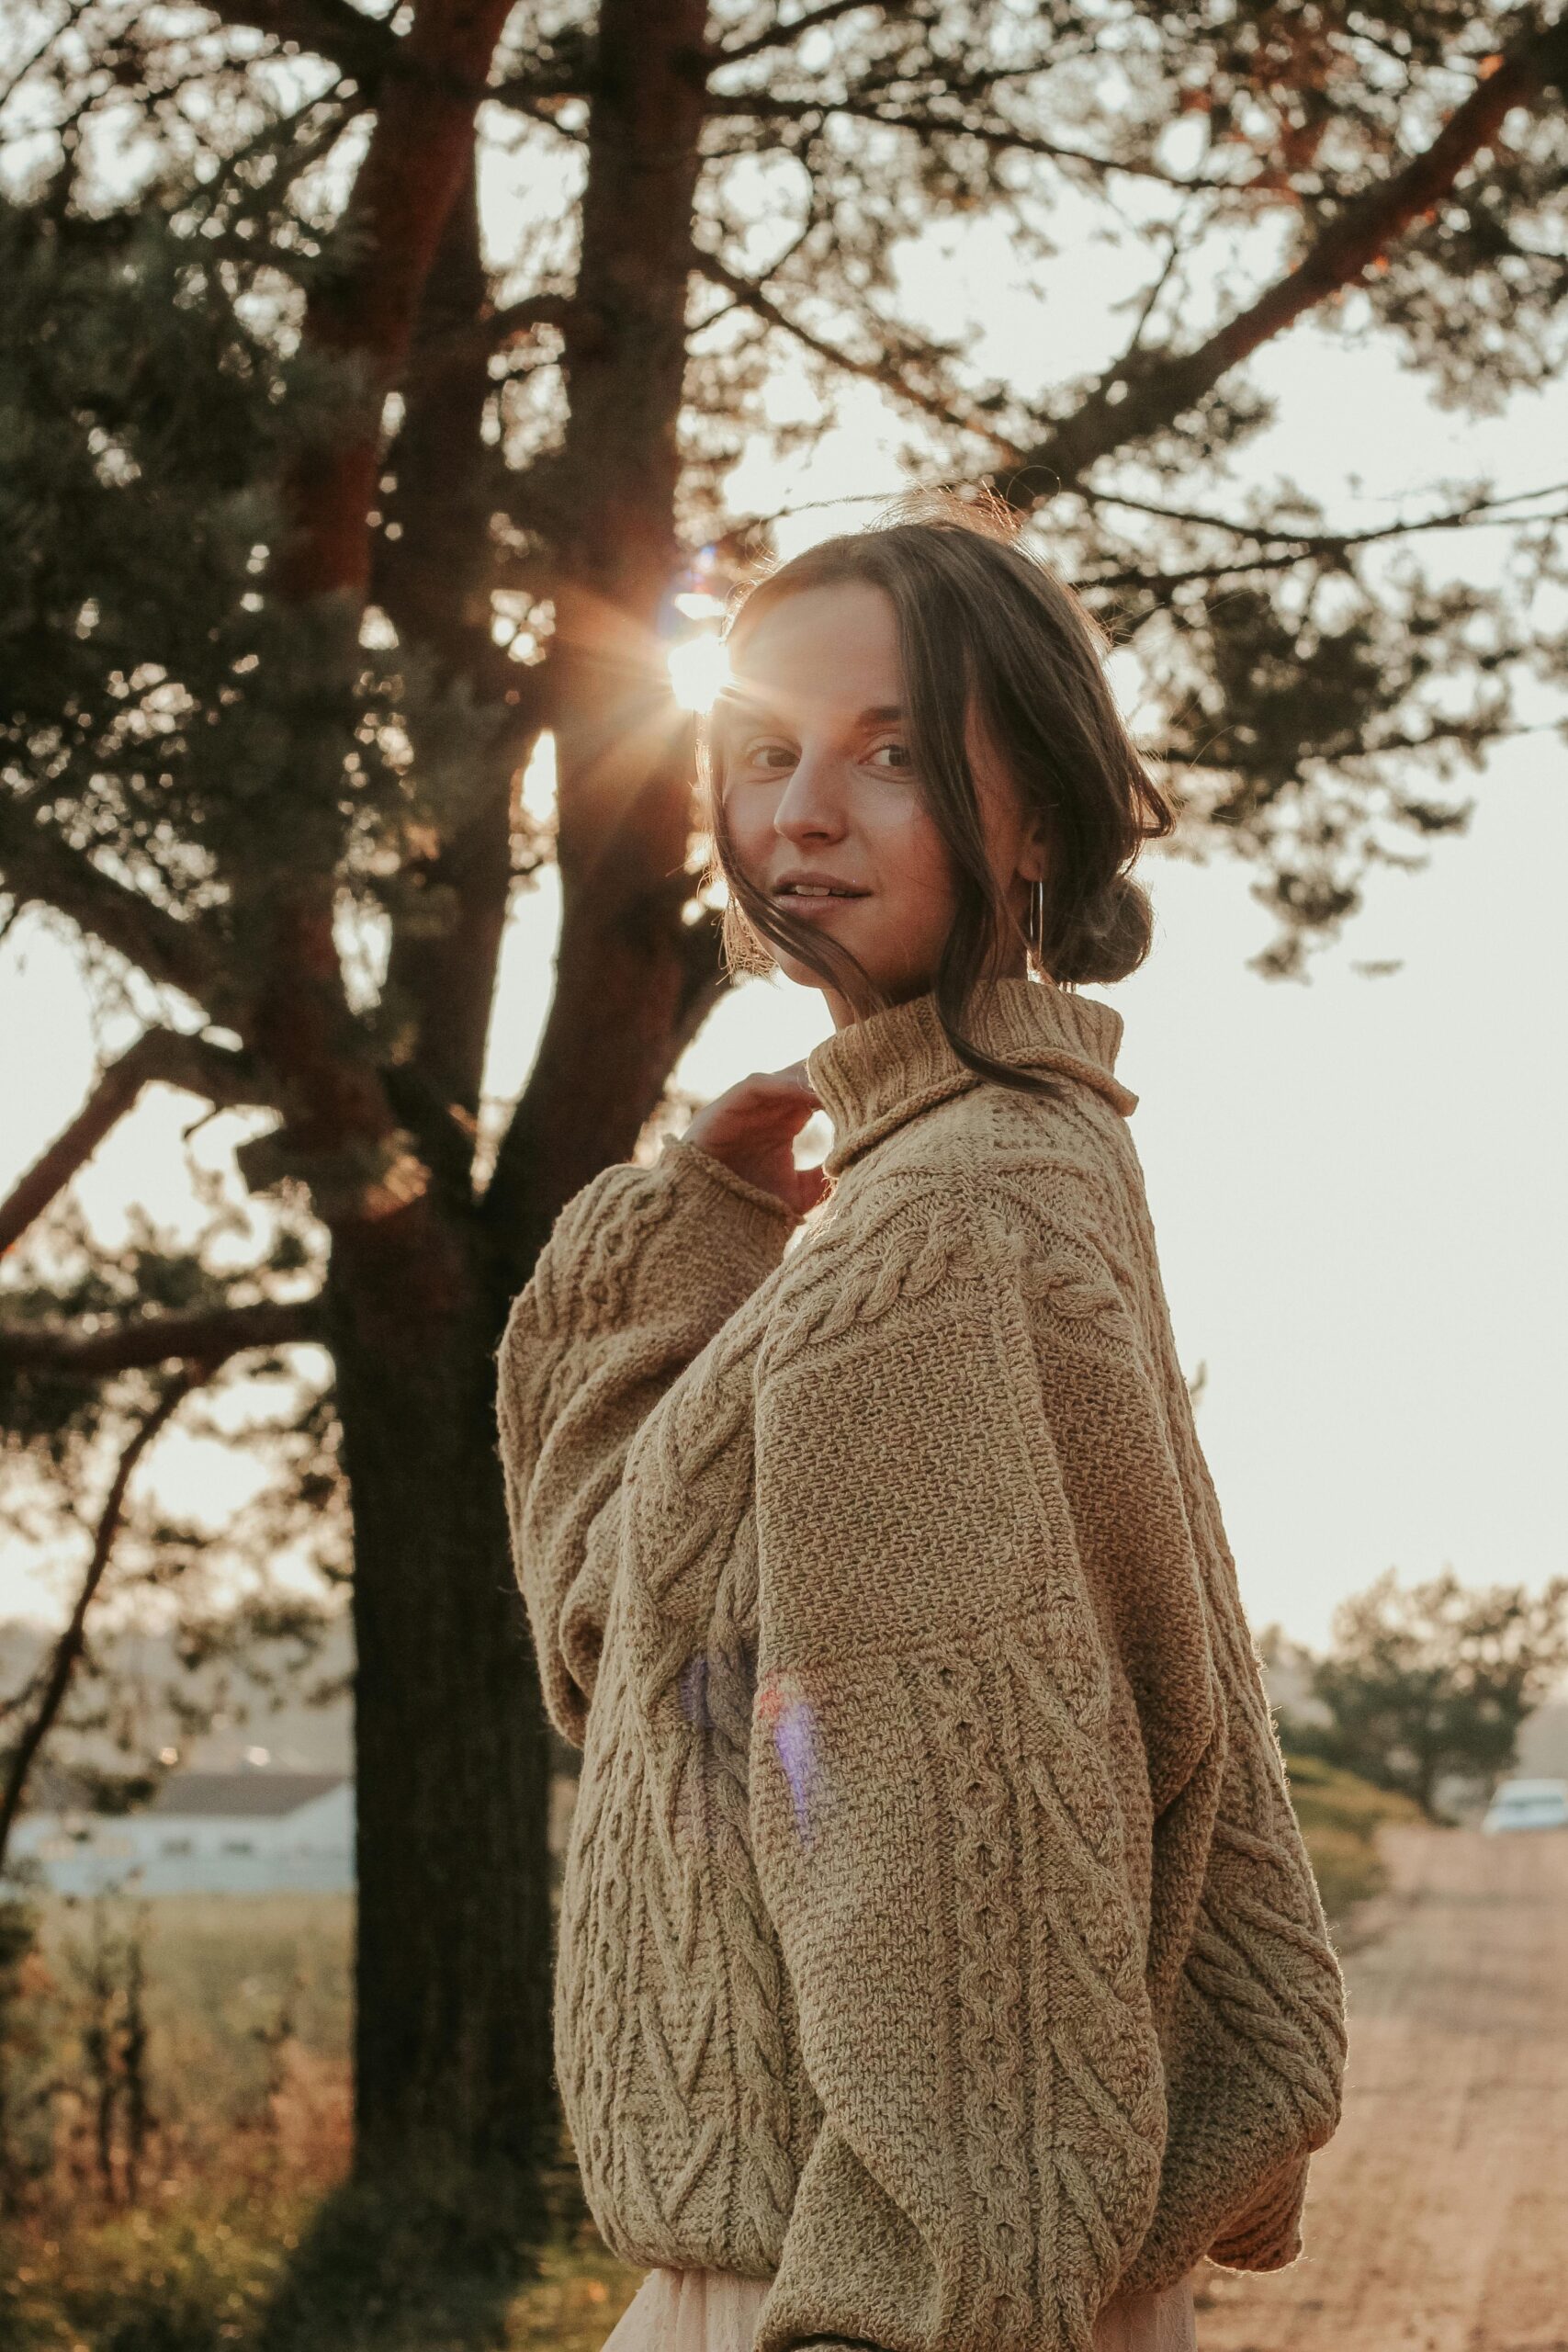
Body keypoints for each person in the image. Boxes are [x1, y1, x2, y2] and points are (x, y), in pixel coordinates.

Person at [495, 494, 1348, 2352]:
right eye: (763, 749)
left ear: (1034, 806)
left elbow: (960, 1849)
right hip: (903, 2269)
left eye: (888, 753)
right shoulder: (984, 1172)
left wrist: (928, 2300)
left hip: (882, 2298)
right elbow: (632, 1656)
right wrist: (687, 1236)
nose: (799, 809)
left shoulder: (940, 1227)